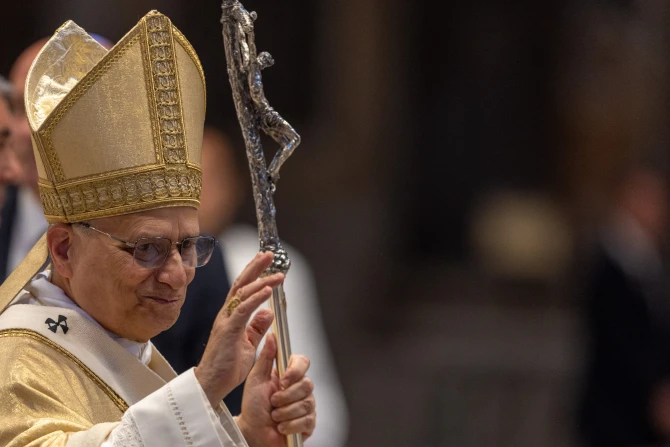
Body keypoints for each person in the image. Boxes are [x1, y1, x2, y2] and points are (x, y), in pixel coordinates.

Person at [0, 11, 316, 446]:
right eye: (146, 248)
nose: (176, 275)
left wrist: (246, 434)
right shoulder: (18, 359)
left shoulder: (125, 340)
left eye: (187, 246)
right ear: (64, 249)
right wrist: (203, 387)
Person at [154, 126, 349, 447]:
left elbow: (308, 398)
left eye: (207, 180)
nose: (195, 196)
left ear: (233, 187)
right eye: (181, 182)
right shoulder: (144, 269)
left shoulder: (267, 265)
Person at [578, 161, 670, 446]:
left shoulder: (650, 261)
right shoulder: (614, 263)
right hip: (617, 411)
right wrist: (653, 388)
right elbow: (622, 338)